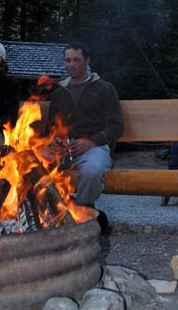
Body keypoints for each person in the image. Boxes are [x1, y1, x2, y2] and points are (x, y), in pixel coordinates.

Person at [47, 42, 124, 210]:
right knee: (27, 164)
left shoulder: (104, 89)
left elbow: (116, 127)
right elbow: (51, 128)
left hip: (94, 146)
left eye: (76, 60)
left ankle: (82, 211)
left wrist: (90, 142)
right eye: (68, 61)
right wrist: (55, 141)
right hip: (63, 150)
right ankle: (48, 213)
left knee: (92, 172)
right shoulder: (59, 93)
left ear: (87, 61)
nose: (71, 65)